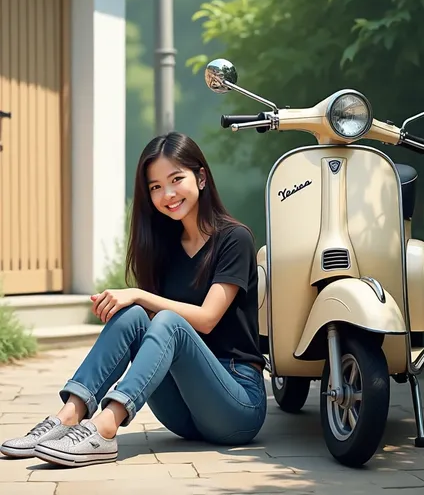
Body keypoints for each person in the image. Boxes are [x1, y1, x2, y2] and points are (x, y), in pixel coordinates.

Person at [1, 132, 267, 467]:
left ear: (200, 177)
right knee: (134, 316)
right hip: (184, 416)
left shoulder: (233, 239)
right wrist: (134, 303)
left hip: (236, 405)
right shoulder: (165, 246)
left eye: (176, 179)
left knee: (165, 318)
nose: (166, 194)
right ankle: (67, 416)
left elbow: (207, 318)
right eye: (155, 187)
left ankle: (104, 429)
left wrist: (140, 294)